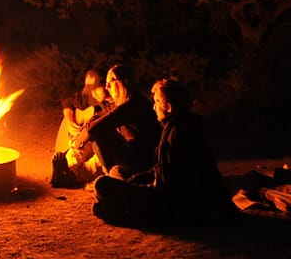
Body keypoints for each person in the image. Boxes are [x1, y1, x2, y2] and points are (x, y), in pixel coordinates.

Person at [93, 78, 236, 228]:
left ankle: (120, 209)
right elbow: (161, 169)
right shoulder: (179, 126)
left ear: (168, 107)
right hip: (192, 201)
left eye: (156, 102)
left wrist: (135, 191)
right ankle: (116, 205)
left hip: (178, 207)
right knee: (116, 174)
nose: (153, 107)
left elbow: (167, 189)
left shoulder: (176, 134)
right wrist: (135, 180)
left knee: (102, 185)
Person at [76, 64, 160, 180]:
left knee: (101, 132)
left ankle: (117, 178)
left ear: (123, 82)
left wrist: (80, 139)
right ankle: (113, 175)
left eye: (110, 81)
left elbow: (96, 128)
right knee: (98, 131)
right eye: (106, 83)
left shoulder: (133, 104)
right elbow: (100, 116)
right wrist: (87, 124)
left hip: (143, 161)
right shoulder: (120, 102)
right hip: (133, 155)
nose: (107, 86)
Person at [51, 68, 110, 186]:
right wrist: (69, 120)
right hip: (83, 139)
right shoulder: (92, 97)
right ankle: (65, 170)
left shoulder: (115, 103)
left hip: (98, 141)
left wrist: (85, 135)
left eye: (95, 89)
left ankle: (72, 176)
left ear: (106, 85)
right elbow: (68, 101)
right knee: (75, 152)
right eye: (90, 90)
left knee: (97, 159)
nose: (92, 94)